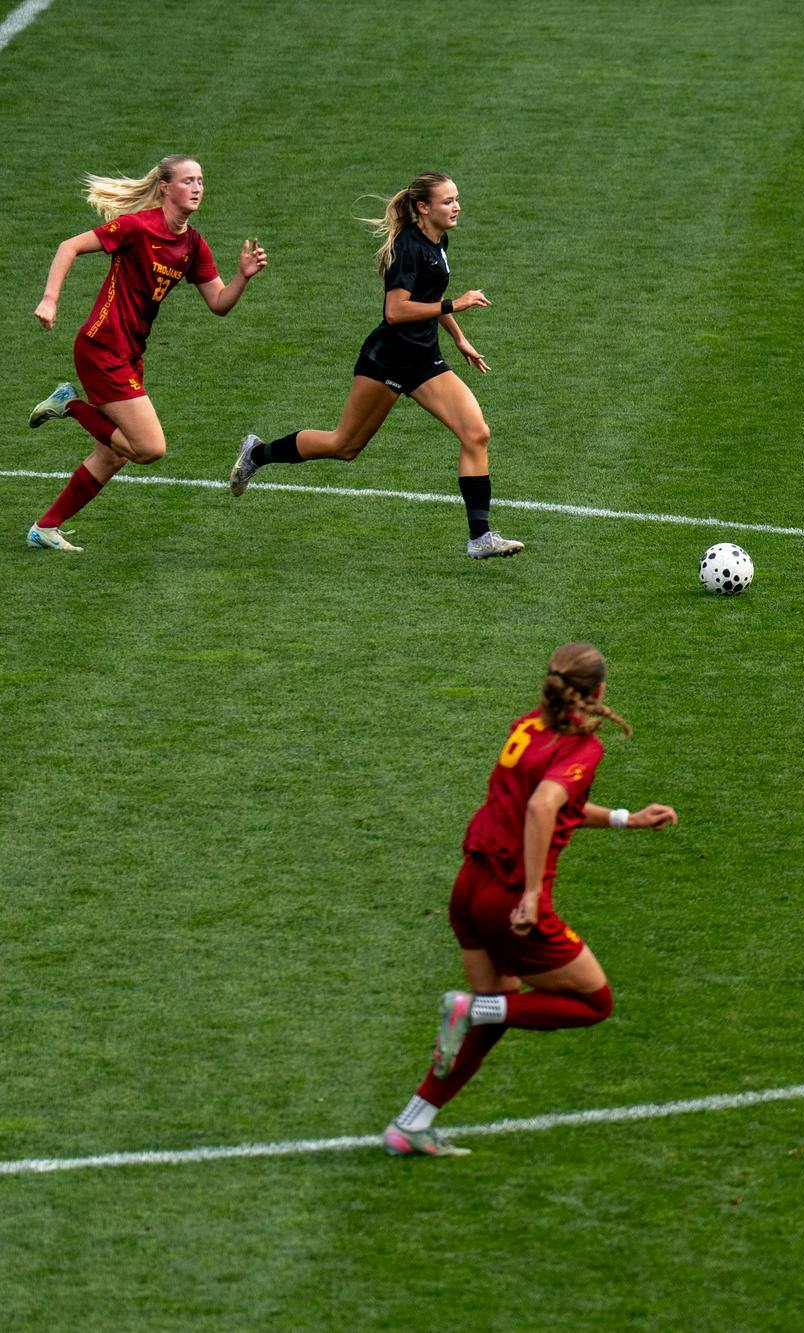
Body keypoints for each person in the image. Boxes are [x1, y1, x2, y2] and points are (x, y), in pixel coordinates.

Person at [384, 643, 677, 1156]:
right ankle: (471, 1008)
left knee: (501, 1006)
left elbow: (554, 803)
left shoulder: (527, 727)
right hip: (508, 896)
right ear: (600, 691)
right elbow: (543, 806)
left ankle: (411, 1123)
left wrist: (625, 818)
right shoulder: (584, 749)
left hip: (469, 885)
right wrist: (534, 894)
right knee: (594, 1002)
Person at [229, 171, 524, 559]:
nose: (456, 206)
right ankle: (256, 454)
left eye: (457, 199)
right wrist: (456, 304)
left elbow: (427, 295)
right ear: (423, 208)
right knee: (344, 445)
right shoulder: (408, 247)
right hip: (388, 360)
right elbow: (396, 310)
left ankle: (480, 538)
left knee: (476, 434)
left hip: (424, 360)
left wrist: (458, 336)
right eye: (448, 201)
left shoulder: (438, 241)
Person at [24, 154, 266, 551]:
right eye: (188, 181)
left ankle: (44, 528)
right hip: (102, 347)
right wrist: (50, 300)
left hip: (129, 354)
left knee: (114, 453)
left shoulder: (192, 244)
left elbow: (219, 303)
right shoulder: (137, 227)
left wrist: (242, 277)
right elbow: (69, 247)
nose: (197, 188)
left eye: (201, 181)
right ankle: (69, 405)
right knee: (150, 448)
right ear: (165, 188)